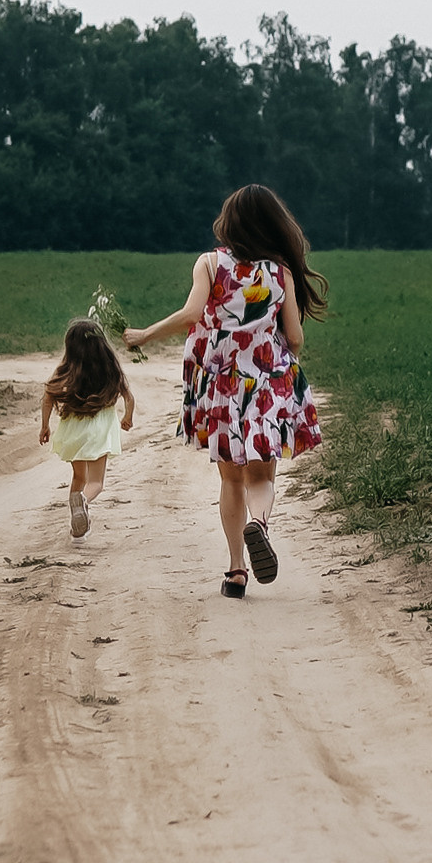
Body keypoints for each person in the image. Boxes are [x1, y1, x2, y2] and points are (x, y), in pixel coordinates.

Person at [127, 185, 326, 598]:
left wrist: (146, 334)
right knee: (262, 474)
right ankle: (260, 522)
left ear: (229, 223)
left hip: (221, 385)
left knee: (230, 478)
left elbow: (192, 314)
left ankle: (237, 571)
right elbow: (295, 336)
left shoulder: (210, 263)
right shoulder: (280, 272)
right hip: (268, 384)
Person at [38, 316, 135, 539]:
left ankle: (77, 529)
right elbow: (129, 398)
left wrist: (45, 427)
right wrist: (127, 418)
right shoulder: (110, 369)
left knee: (79, 478)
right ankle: (83, 501)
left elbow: (47, 397)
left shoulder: (66, 370)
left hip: (72, 428)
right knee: (95, 483)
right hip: (98, 429)